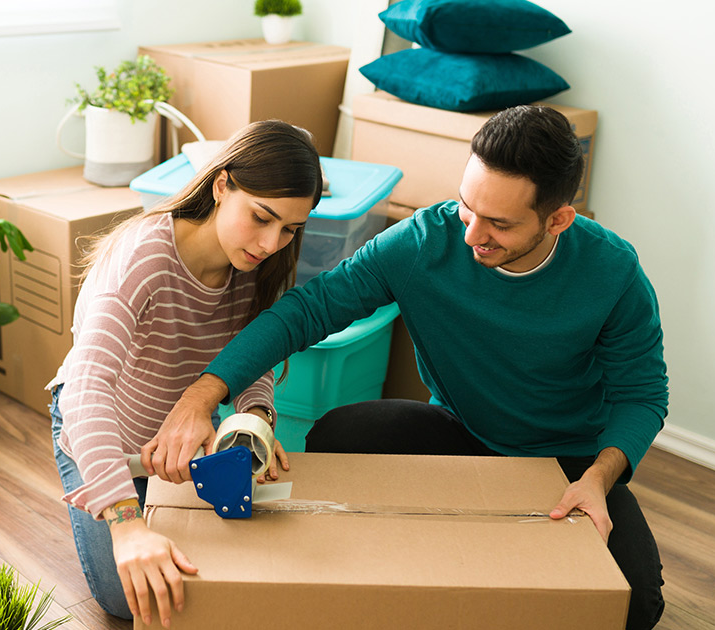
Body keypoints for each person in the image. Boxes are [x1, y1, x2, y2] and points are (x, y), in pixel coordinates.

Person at [154, 105, 668, 630]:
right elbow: (308, 312)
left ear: (558, 218)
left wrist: (600, 479)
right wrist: (201, 396)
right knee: (339, 433)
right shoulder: (425, 242)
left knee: (636, 606)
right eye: (468, 207)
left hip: (570, 460)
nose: (472, 236)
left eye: (500, 224)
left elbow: (643, 394)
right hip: (462, 433)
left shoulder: (613, 271)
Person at [48, 120, 323, 629]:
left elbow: (250, 359)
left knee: (214, 572)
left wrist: (254, 419)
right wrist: (127, 524)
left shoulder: (253, 267)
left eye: (290, 229)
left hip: (180, 445)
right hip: (104, 434)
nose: (271, 243)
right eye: (262, 217)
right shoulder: (141, 260)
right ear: (222, 185)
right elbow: (85, 393)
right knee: (127, 599)